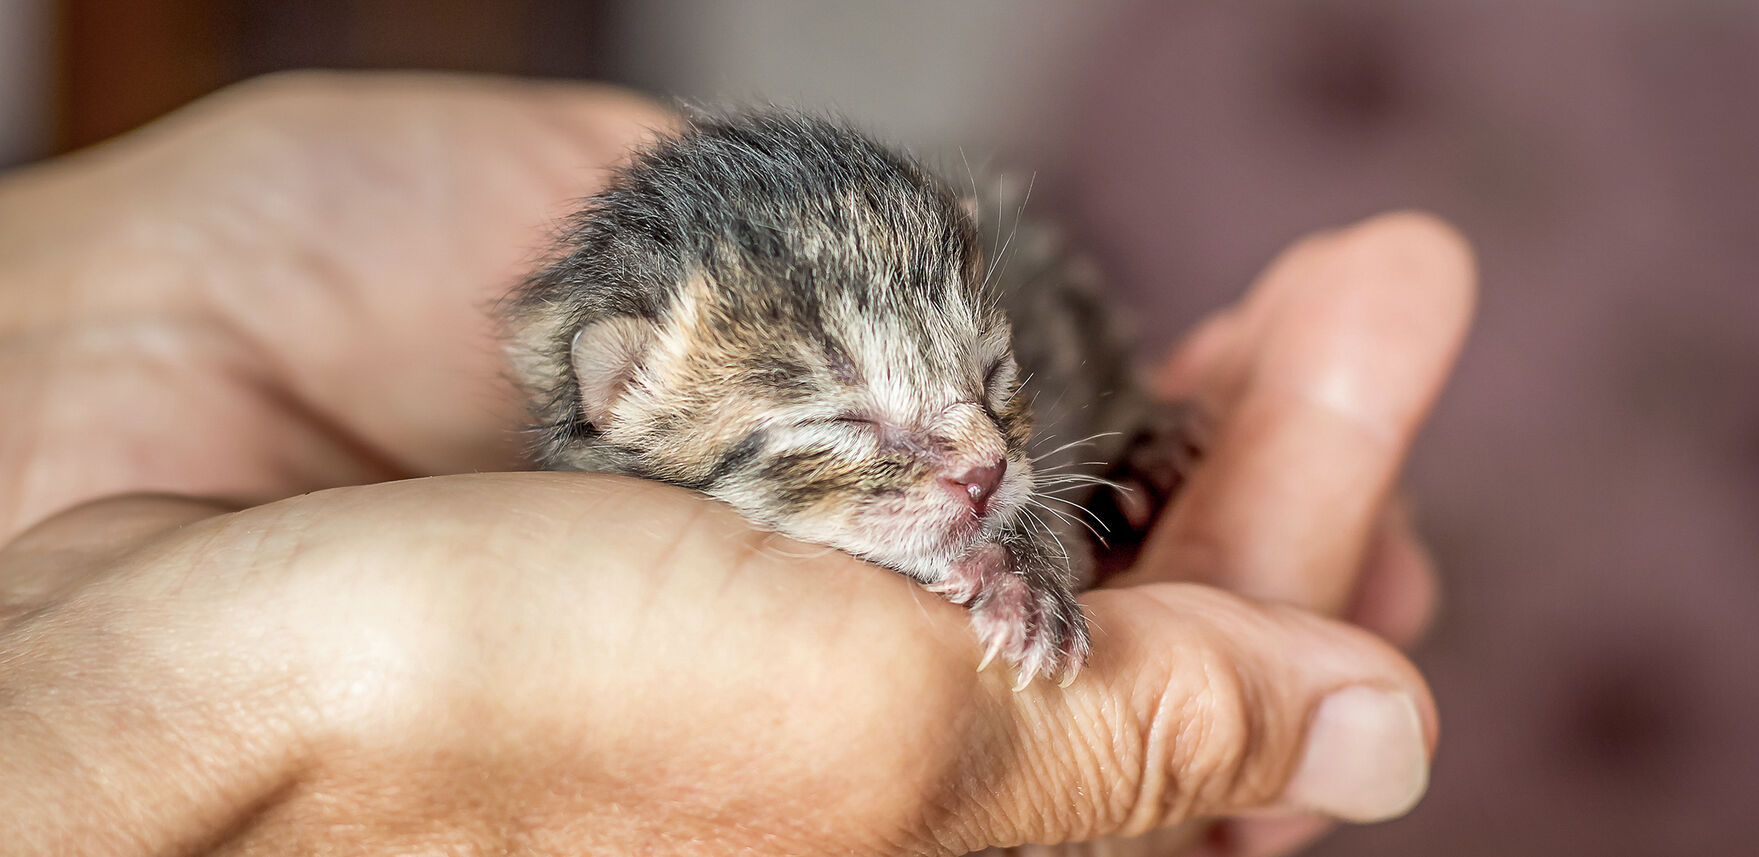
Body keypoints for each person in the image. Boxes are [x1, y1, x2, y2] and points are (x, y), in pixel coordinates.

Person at [0, 72, 1474, 857]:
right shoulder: (597, 454)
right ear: (623, 398)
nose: (971, 460)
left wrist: (1032, 543)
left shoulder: (960, 396)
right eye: (850, 427)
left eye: (983, 390)